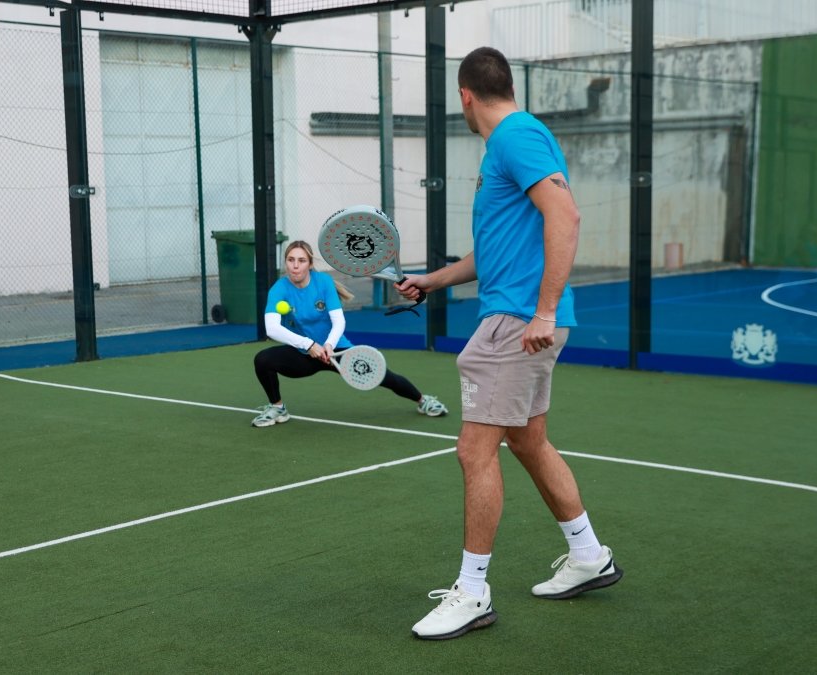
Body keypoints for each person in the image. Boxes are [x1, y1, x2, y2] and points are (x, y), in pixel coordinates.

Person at [399, 47, 622, 640]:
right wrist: (433, 279)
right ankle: (588, 555)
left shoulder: (515, 137)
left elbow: (565, 216)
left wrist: (543, 311)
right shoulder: (515, 142)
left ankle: (472, 593)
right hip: (523, 317)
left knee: (474, 450)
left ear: (466, 96)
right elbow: (494, 250)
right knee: (527, 440)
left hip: (519, 322)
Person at [251, 240, 448, 427]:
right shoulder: (279, 289)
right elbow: (272, 329)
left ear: (310, 265)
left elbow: (339, 321)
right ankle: (278, 408)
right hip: (304, 354)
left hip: (336, 349)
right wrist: (309, 345)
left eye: (301, 260)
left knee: (383, 375)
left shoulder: (323, 282)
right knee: (263, 360)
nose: (295, 266)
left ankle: (423, 400)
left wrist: (329, 344)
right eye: (291, 260)